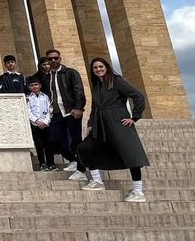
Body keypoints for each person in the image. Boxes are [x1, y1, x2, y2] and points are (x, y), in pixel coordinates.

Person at [75, 57, 151, 202]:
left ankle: (138, 191)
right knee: (84, 147)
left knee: (131, 154)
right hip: (101, 124)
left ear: (107, 67)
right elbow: (94, 107)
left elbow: (138, 96)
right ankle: (97, 181)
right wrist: (91, 123)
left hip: (118, 122)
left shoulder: (116, 80)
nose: (98, 69)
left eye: (101, 67)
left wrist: (134, 117)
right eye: (95, 67)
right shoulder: (97, 84)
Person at [42, 49, 86, 174]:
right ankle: (73, 160)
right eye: (50, 59)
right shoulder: (46, 77)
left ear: (60, 58)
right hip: (56, 113)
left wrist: (79, 108)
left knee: (76, 140)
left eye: (55, 58)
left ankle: (81, 169)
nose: (53, 61)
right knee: (53, 141)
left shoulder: (71, 73)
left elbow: (79, 90)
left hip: (71, 111)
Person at [27, 77, 55, 171]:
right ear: (29, 87)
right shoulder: (28, 98)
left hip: (46, 124)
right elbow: (28, 111)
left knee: (48, 144)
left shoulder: (45, 97)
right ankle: (42, 163)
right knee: (39, 145)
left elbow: (49, 110)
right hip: (35, 124)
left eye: (36, 84)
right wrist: (37, 121)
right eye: (32, 85)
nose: (34, 87)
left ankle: (51, 163)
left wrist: (45, 121)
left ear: (40, 85)